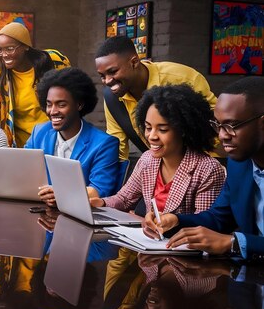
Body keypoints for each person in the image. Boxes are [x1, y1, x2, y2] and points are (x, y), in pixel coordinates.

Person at [145, 77, 264, 259]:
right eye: (218, 125)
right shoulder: (239, 165)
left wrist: (233, 242)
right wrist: (175, 220)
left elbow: (232, 239)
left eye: (231, 126)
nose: (222, 135)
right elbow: (219, 218)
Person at [90, 85, 225, 215]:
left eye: (162, 129)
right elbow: (124, 199)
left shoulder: (208, 169)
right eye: (148, 128)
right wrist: (101, 203)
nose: (152, 136)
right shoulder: (147, 159)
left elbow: (204, 225)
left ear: (183, 130)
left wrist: (172, 223)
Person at [95, 35, 218, 160]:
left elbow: (216, 126)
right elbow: (118, 149)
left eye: (113, 71)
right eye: (102, 76)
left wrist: (206, 166)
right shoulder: (114, 97)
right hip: (159, 167)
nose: (107, 81)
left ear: (134, 62)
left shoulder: (182, 78)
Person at [24, 67, 119, 207]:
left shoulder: (104, 144)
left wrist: (63, 194)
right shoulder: (39, 133)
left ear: (79, 104)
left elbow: (99, 190)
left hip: (80, 217)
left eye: (61, 105)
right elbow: (22, 173)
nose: (53, 111)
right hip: (40, 213)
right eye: (49, 104)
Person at [0, 21, 71, 148]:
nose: (4, 54)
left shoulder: (54, 61)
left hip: (58, 141)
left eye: (10, 48)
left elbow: (72, 92)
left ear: (26, 46)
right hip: (23, 147)